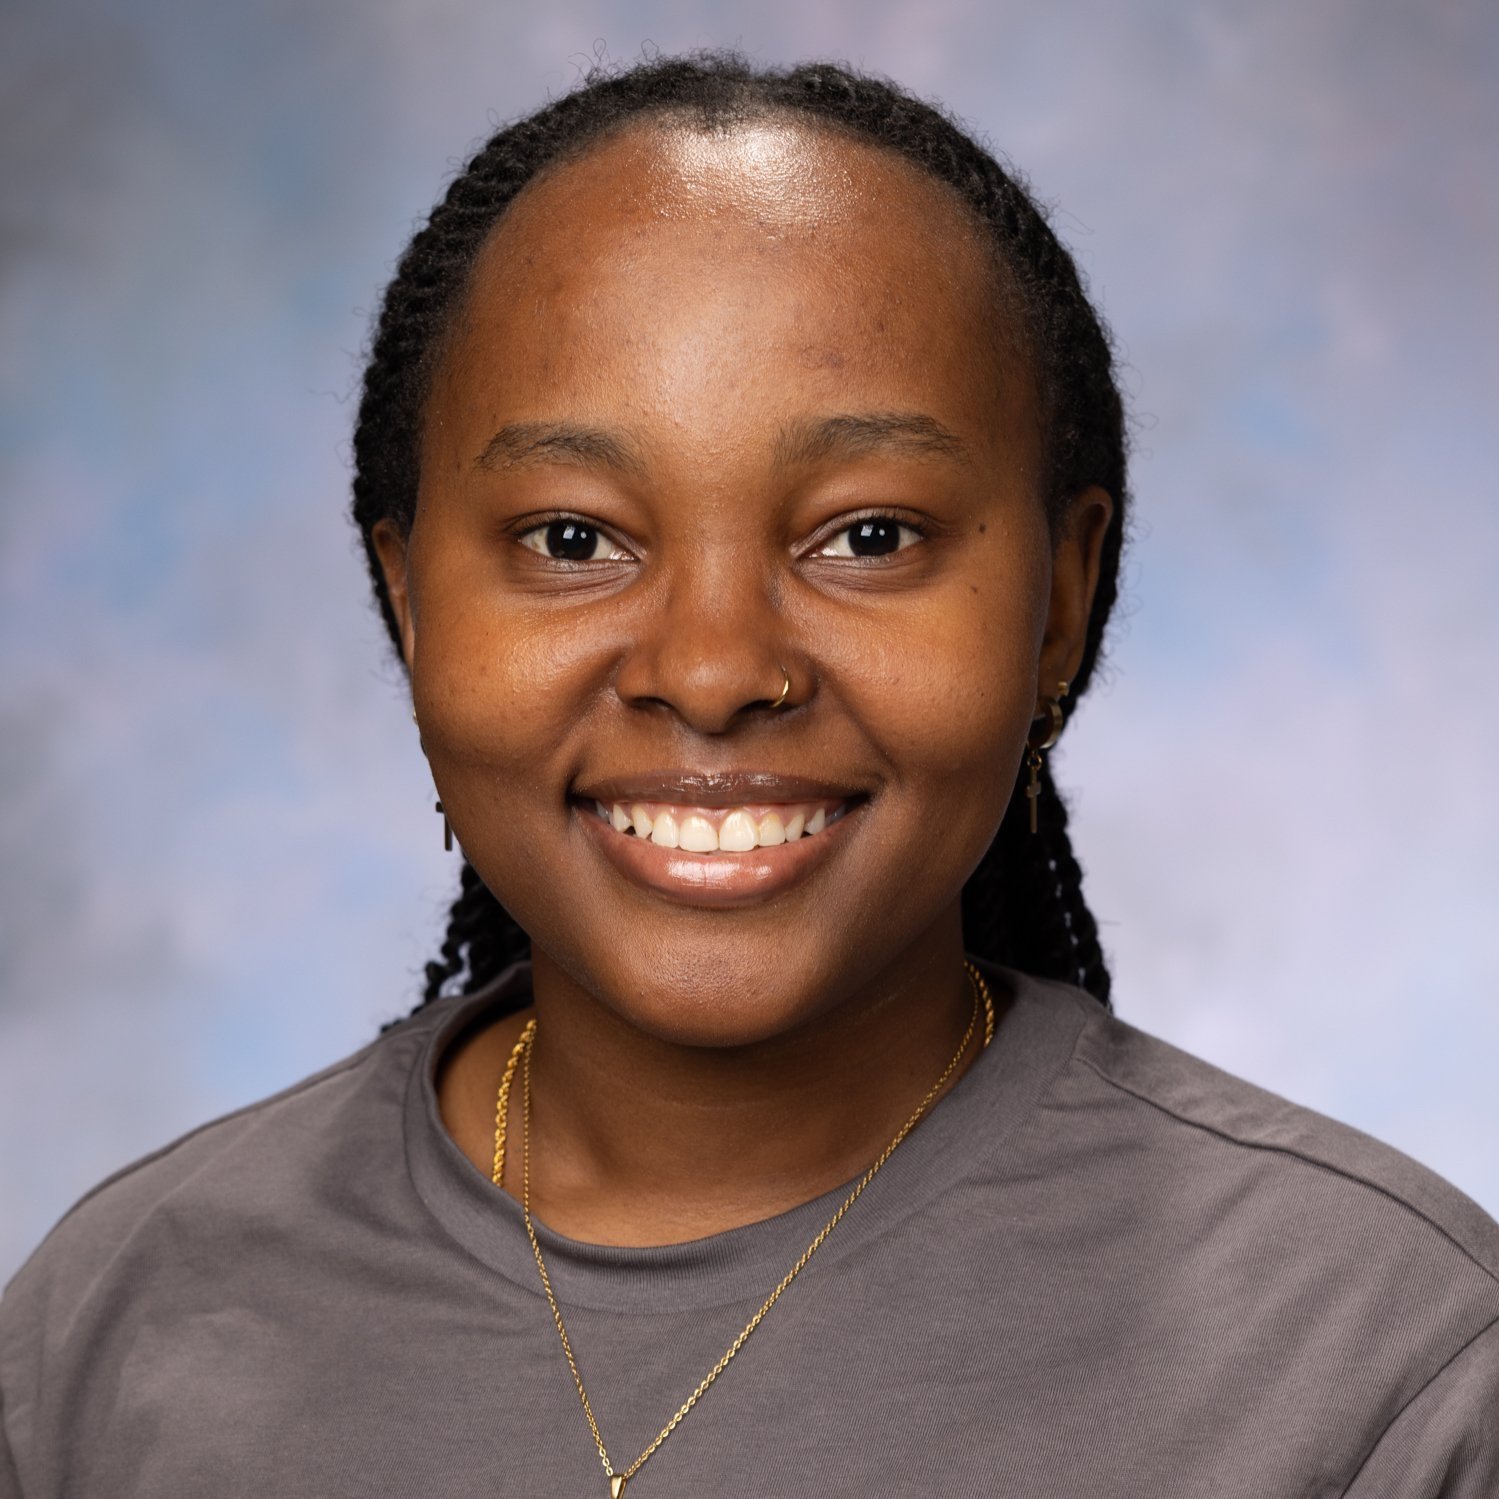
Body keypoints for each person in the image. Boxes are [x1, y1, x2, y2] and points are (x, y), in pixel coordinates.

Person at [2, 51, 1496, 1498]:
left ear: (1059, 598)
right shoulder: (116, 1326)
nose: (714, 671)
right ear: (407, 601)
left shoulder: (1383, 1367)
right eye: (573, 539)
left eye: (867, 536)